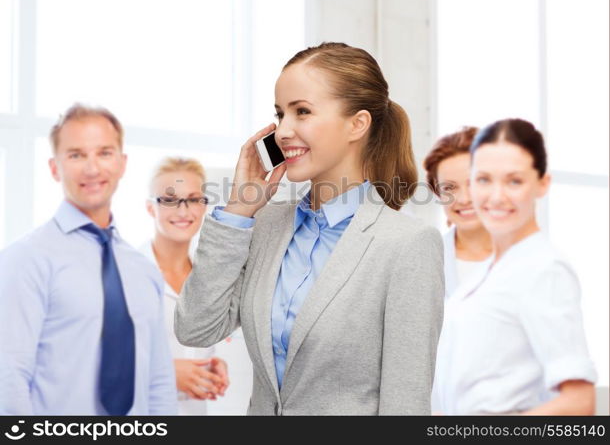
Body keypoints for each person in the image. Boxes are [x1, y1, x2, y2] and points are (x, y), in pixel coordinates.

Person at [175, 42, 445, 415]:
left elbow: (406, 404)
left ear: (357, 124)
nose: (283, 131)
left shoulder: (407, 244)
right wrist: (239, 209)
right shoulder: (266, 225)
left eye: (302, 111)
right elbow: (195, 329)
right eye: (280, 114)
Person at [0, 104, 177, 415]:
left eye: (104, 153)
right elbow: (9, 378)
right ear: (55, 168)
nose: (92, 169)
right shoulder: (24, 260)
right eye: (76, 155)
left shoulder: (143, 270)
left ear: (122, 164)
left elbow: (158, 383)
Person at [434, 118, 597, 415]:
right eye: (483, 180)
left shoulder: (544, 269)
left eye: (514, 181)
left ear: (542, 183)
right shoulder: (488, 273)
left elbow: (579, 403)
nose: (496, 196)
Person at [141, 157, 230, 415]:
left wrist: (206, 369)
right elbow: (93, 361)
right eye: (169, 200)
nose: (183, 211)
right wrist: (165, 373)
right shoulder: (123, 274)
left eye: (193, 199)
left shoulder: (210, 277)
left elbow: (188, 352)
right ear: (150, 208)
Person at [423, 126, 492, 299]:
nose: (464, 199)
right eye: (449, 187)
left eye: (474, 183)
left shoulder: (533, 260)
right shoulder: (423, 260)